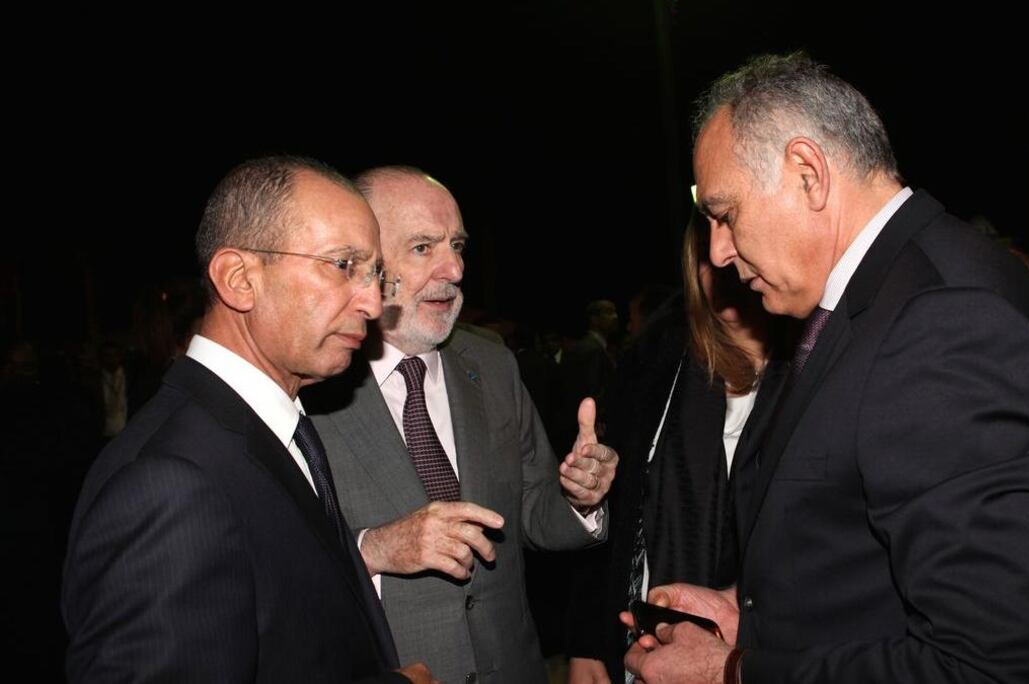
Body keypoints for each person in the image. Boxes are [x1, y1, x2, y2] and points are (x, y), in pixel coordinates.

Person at [625, 52, 1029, 683]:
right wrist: (752, 612)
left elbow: (995, 664)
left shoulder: (944, 321)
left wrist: (731, 674)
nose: (718, 251)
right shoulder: (861, 303)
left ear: (808, 173)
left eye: (725, 214)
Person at [61, 156, 432, 683]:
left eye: (374, 274)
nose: (373, 302)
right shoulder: (169, 482)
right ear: (238, 279)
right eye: (343, 265)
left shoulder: (279, 426)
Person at [305, 166, 617, 684]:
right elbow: (269, 563)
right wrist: (375, 549)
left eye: (458, 245)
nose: (453, 269)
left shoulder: (492, 365)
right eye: (424, 247)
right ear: (366, 260)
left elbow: (532, 512)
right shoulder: (311, 385)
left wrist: (581, 500)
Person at [567, 211, 779, 683]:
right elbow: (614, 516)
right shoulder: (654, 364)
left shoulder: (812, 366)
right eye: (705, 254)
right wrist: (585, 641)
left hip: (766, 656)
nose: (723, 264)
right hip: (640, 647)